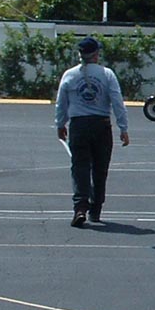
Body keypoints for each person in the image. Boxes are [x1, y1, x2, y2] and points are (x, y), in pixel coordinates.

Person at [56, 36, 130, 227]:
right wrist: (123, 127)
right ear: (96, 55)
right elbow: (117, 102)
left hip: (79, 125)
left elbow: (61, 103)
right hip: (101, 124)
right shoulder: (107, 74)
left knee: (80, 167)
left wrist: (60, 124)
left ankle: (80, 206)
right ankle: (95, 209)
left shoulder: (70, 75)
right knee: (100, 168)